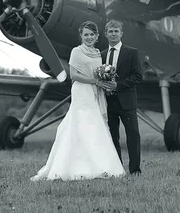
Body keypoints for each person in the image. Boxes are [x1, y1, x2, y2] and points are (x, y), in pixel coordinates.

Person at [30, 21, 126, 181]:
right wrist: (95, 81)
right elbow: (74, 75)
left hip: (95, 91)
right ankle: (73, 166)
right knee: (81, 122)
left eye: (91, 35)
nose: (89, 37)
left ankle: (99, 165)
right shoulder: (76, 51)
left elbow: (97, 72)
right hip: (82, 91)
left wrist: (104, 79)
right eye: (85, 35)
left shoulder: (97, 52)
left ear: (97, 36)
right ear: (81, 36)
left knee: (95, 125)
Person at [101, 20, 143, 175]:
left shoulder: (132, 52)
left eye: (116, 31)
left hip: (127, 101)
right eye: (110, 31)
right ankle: (117, 169)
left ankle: (135, 170)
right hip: (109, 102)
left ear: (121, 33)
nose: (113, 34)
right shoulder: (102, 54)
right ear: (106, 34)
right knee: (112, 137)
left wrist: (118, 85)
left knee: (133, 135)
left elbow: (138, 76)